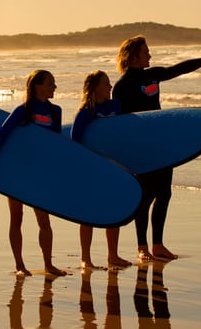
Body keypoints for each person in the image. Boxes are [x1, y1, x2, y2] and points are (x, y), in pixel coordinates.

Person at [112, 35, 201, 261]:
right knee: (145, 196)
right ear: (133, 55)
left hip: (161, 144)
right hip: (141, 148)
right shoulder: (122, 86)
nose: (150, 55)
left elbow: (178, 69)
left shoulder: (152, 75)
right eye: (146, 51)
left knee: (164, 193)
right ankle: (141, 246)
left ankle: (158, 245)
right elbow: (120, 123)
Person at [0, 69, 67, 277]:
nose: (54, 87)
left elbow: (57, 146)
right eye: (50, 83)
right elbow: (0, 137)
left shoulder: (56, 111)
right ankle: (20, 264)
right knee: (16, 217)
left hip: (39, 172)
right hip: (17, 171)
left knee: (44, 221)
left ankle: (48, 264)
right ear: (37, 86)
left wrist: (59, 173)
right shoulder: (22, 111)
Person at [70, 70, 132, 269]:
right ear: (96, 87)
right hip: (92, 168)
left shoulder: (116, 105)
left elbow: (123, 131)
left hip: (114, 165)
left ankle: (113, 255)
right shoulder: (86, 112)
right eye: (106, 84)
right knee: (88, 213)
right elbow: (75, 142)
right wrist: (83, 167)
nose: (110, 87)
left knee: (114, 210)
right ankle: (85, 258)